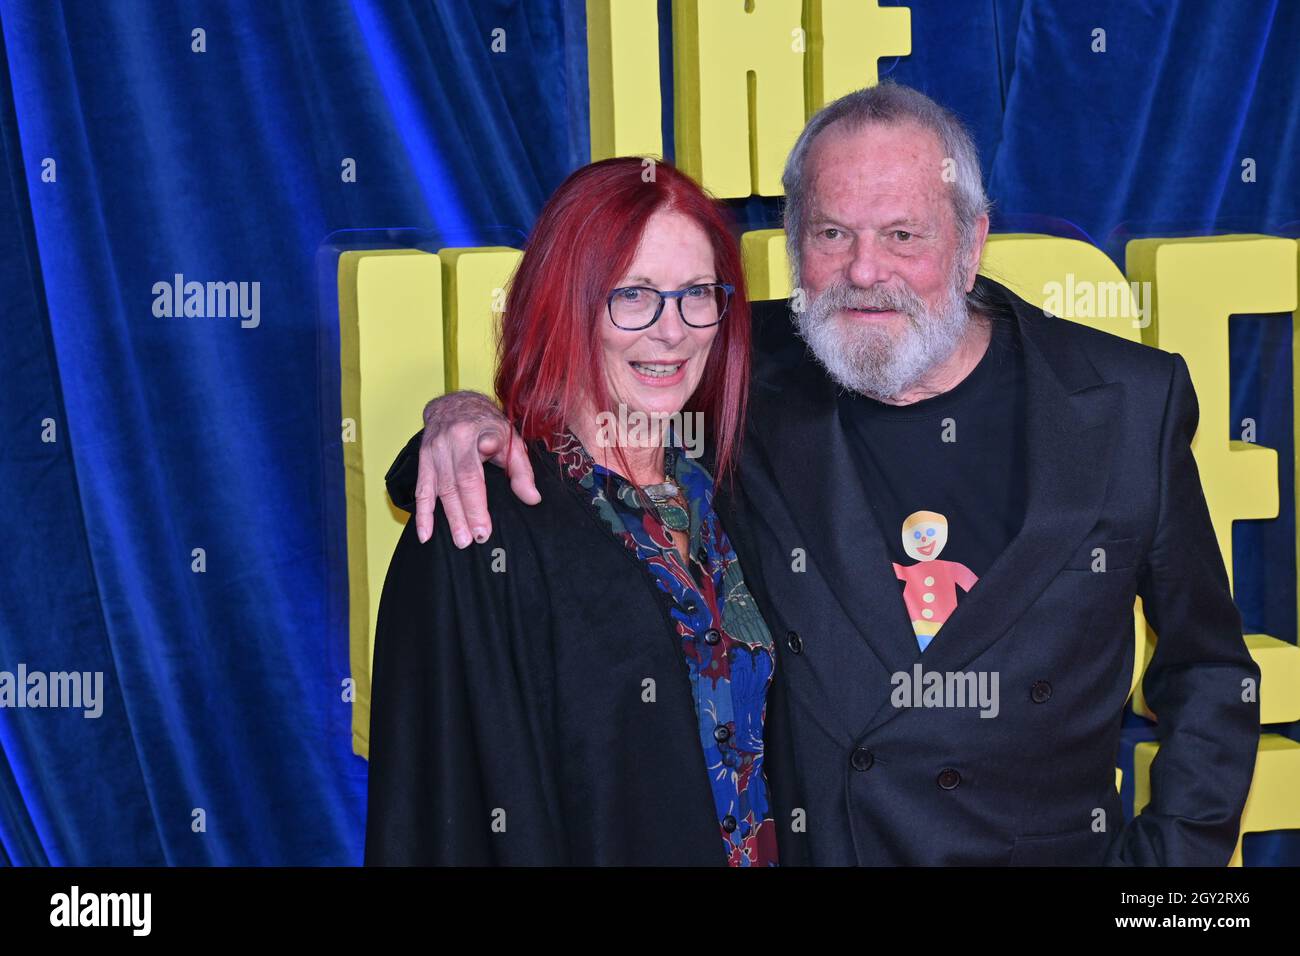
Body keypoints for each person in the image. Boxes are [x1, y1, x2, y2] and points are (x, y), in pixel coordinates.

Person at [391, 82, 1261, 866]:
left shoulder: (1124, 402)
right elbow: (593, 377)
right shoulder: (744, 367)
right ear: (795, 247)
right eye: (832, 234)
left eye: (904, 234)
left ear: (972, 243)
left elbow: (1211, 672)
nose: (865, 270)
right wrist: (460, 417)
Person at [364, 156, 780, 866]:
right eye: (634, 295)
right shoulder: (481, 521)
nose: (672, 330)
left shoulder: (735, 492)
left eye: (697, 294)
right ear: (565, 302)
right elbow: (441, 817)